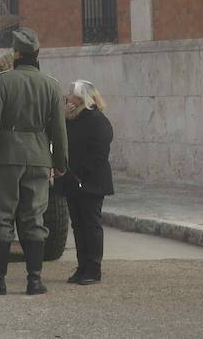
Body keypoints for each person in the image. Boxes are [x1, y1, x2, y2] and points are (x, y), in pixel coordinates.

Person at [0, 27, 67, 296]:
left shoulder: (4, 81)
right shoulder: (52, 85)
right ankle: (34, 280)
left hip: (7, 156)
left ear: (16, 53)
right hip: (39, 156)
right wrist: (59, 161)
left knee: (2, 217)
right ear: (36, 54)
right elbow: (59, 130)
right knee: (34, 217)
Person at [60, 79, 114, 285]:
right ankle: (82, 266)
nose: (68, 98)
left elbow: (99, 152)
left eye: (71, 95)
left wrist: (81, 173)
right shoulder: (71, 119)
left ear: (82, 98)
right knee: (78, 226)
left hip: (90, 182)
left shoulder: (97, 119)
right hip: (72, 181)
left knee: (91, 225)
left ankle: (93, 268)